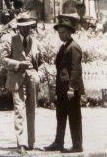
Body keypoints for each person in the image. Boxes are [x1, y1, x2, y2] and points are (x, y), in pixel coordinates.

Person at [1, 12, 43, 155]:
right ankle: (21, 143)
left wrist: (39, 74)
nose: (26, 30)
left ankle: (32, 143)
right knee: (19, 110)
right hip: (17, 79)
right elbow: (4, 60)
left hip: (32, 80)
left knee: (32, 110)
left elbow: (42, 62)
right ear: (18, 27)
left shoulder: (35, 42)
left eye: (29, 27)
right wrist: (19, 64)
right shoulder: (9, 40)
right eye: (23, 27)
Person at [44, 18, 84, 154]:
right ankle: (58, 142)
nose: (61, 35)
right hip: (62, 88)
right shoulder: (64, 46)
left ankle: (77, 145)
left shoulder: (73, 47)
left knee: (74, 116)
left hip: (70, 89)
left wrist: (72, 88)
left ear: (70, 32)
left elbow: (76, 69)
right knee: (60, 115)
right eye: (59, 32)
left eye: (64, 32)